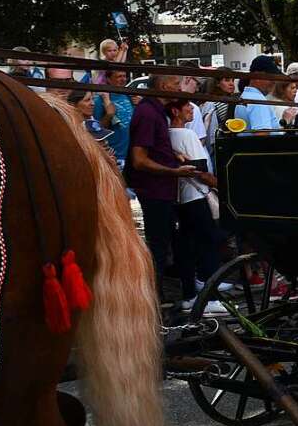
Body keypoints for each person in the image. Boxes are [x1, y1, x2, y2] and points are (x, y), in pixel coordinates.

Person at [127, 74, 205, 302]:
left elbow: (153, 149)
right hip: (154, 190)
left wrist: (172, 155)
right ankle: (155, 299)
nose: (179, 88)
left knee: (168, 243)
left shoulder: (156, 111)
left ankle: (166, 293)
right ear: (163, 86)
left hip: (163, 188)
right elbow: (139, 160)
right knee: (158, 246)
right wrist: (173, 171)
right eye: (176, 84)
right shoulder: (148, 113)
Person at [167, 101, 226, 314]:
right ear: (175, 111)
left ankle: (189, 295)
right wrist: (219, 185)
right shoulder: (187, 135)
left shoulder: (166, 135)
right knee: (209, 242)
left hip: (180, 198)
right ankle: (209, 298)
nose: (192, 110)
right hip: (196, 196)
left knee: (186, 246)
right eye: (188, 108)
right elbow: (200, 170)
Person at [94, 69, 134, 168]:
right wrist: (109, 115)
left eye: (124, 76)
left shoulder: (128, 96)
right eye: (119, 76)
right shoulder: (100, 101)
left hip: (130, 155)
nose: (123, 79)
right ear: (109, 79)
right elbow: (97, 130)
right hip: (114, 156)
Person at [235, 56, 284, 132]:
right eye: (271, 77)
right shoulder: (258, 100)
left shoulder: (247, 95)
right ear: (257, 75)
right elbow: (261, 137)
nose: (274, 81)